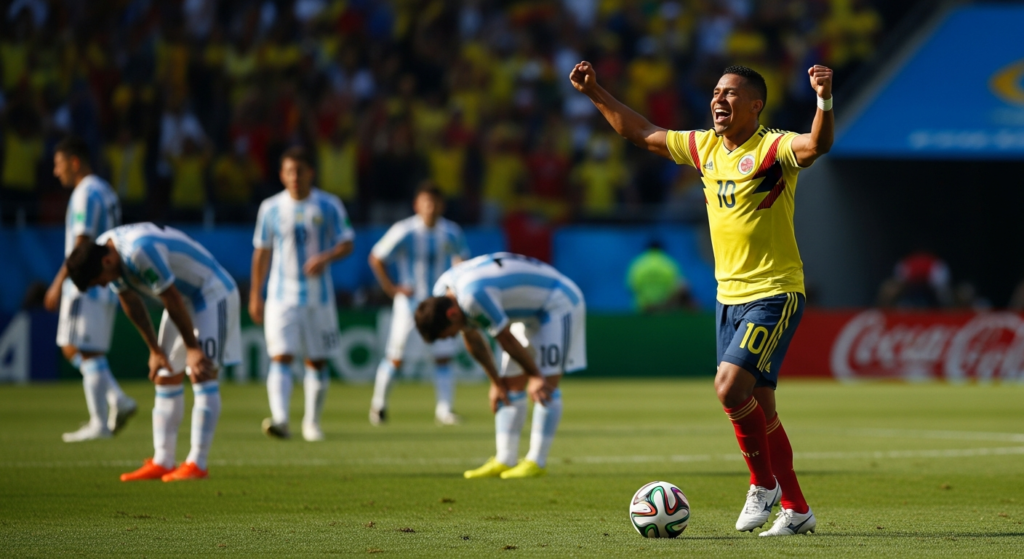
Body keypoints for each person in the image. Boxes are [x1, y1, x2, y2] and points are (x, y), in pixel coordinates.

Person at [571, 61, 834, 535]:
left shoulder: (772, 147)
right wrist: (596, 93)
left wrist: (823, 99)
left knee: (729, 389)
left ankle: (763, 485)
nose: (719, 99)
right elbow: (643, 133)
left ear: (755, 106)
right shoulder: (704, 146)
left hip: (773, 292)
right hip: (727, 298)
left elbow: (816, 145)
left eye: (731, 94)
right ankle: (797, 509)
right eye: (715, 91)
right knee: (763, 410)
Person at [64, 222, 241, 482]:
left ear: (108, 261)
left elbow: (170, 296)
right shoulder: (106, 249)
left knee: (201, 372)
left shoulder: (138, 251)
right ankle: (163, 460)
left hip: (211, 294)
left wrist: (192, 349)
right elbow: (130, 301)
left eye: (98, 281)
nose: (102, 287)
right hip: (182, 298)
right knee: (165, 373)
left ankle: (197, 463)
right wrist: (154, 350)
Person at [414, 252, 586, 479]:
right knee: (508, 386)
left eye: (447, 335)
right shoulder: (442, 292)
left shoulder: (472, 296)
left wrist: (534, 375)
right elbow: (472, 337)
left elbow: (504, 338)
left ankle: (537, 461)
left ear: (452, 313)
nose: (450, 338)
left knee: (545, 386)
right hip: (528, 312)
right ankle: (505, 459)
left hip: (558, 303)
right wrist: (495, 382)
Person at [250, 147, 355, 441]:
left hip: (320, 298)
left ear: (311, 172)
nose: (295, 177)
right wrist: (255, 295)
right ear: (282, 175)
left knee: (317, 360)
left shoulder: (328, 205)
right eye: (289, 171)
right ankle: (281, 419)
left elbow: (348, 242)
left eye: (300, 171)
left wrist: (326, 257)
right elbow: (262, 252)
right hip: (281, 297)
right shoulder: (270, 208)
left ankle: (312, 422)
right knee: (280, 356)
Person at [43, 136, 137, 442]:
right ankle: (117, 399)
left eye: (58, 165)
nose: (56, 173)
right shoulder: (104, 189)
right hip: (104, 281)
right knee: (72, 347)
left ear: (74, 162)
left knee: (88, 351)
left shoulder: (85, 193)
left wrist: (59, 282)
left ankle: (100, 423)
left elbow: (82, 244)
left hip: (87, 282)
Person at [368, 182, 470, 426]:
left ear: (442, 206)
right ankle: (379, 405)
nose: (431, 208)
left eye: (435, 203)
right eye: (426, 202)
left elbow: (462, 263)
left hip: (441, 305)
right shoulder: (404, 231)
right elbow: (376, 257)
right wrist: (391, 288)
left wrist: (455, 291)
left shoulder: (451, 232)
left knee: (443, 356)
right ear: (417, 205)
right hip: (410, 304)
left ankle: (444, 411)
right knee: (396, 357)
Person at [626, 240, 695, 312]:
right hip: (665, 308)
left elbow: (631, 287)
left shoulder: (638, 264)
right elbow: (680, 285)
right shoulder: (669, 263)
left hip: (643, 308)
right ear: (661, 249)